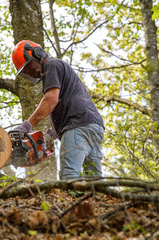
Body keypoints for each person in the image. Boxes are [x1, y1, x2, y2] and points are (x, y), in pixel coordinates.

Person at [11, 40, 105, 180]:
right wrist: (52, 134)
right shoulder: (60, 68)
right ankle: (98, 200)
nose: (28, 71)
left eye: (28, 65)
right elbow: (69, 102)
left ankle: (75, 201)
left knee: (69, 175)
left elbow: (51, 100)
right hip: (94, 126)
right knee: (95, 180)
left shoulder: (51, 65)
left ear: (37, 54)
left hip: (77, 125)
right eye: (24, 70)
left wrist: (26, 125)